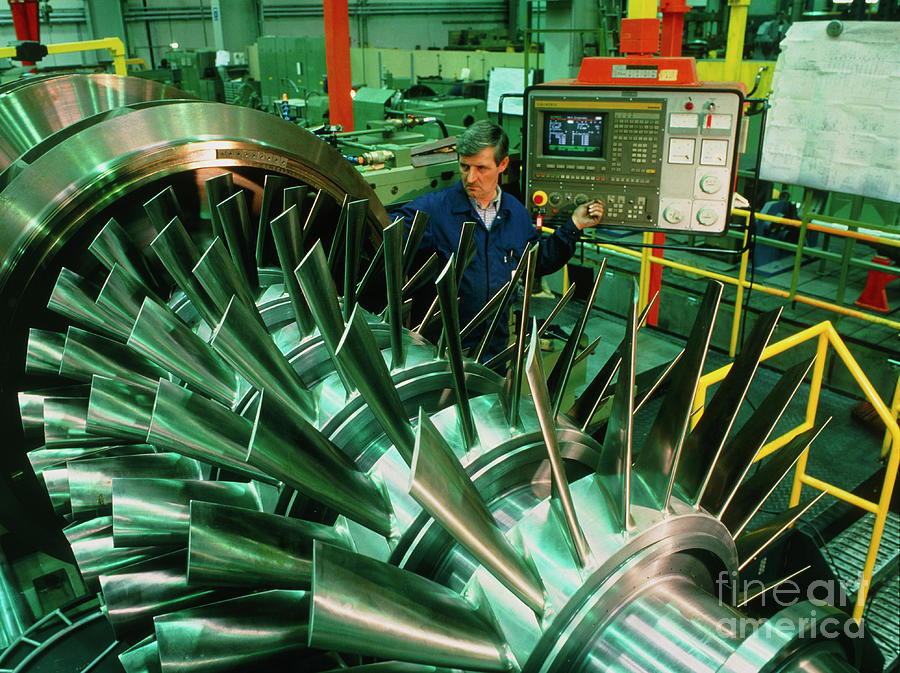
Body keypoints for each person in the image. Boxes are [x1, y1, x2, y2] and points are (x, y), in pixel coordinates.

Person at [393, 120, 604, 362]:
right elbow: (384, 232)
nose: (471, 177)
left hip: (494, 349)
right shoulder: (435, 210)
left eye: (481, 168)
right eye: (464, 166)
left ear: (502, 164)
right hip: (441, 351)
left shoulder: (515, 214)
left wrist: (574, 226)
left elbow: (537, 262)